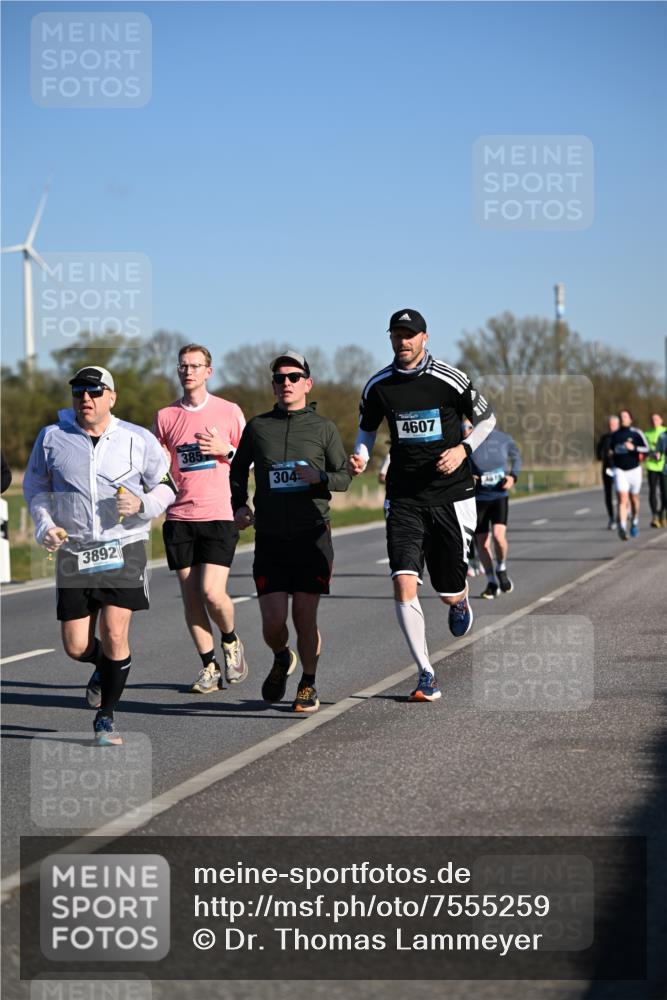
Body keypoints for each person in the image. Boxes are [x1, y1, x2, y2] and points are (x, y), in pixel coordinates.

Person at [348, 309, 495, 703]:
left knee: (448, 589)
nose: (403, 342)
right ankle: (426, 673)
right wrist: (360, 454)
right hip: (404, 498)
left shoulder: (449, 378)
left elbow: (488, 420)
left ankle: (459, 597)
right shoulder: (379, 386)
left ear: (425, 338)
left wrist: (462, 450)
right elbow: (366, 429)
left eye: (410, 335)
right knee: (403, 579)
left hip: (452, 496)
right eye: (397, 335)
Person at [23, 365, 176, 746]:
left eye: (94, 392)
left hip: (124, 546)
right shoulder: (52, 438)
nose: (85, 399)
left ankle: (106, 716)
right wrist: (45, 525)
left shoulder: (137, 439)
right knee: (76, 645)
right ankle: (104, 666)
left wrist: (142, 502)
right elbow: (36, 487)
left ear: (112, 396)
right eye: (78, 393)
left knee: (114, 630)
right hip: (74, 550)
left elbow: (167, 485)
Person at [231, 350, 351, 714]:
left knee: (304, 616)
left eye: (294, 377)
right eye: (280, 378)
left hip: (311, 534)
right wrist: (240, 504)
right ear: (273, 385)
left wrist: (321, 478)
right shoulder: (258, 426)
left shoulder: (324, 428)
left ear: (307, 383)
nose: (286, 383)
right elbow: (237, 472)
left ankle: (308, 684)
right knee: (271, 622)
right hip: (269, 537)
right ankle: (282, 657)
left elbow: (344, 476)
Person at [153, 344, 248, 694]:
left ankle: (231, 640)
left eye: (196, 366)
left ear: (209, 371)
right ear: (178, 371)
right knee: (191, 597)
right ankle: (209, 667)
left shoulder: (229, 411)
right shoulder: (165, 417)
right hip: (179, 516)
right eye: (183, 366)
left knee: (212, 592)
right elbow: (160, 468)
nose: (188, 371)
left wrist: (228, 450)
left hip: (218, 514)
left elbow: (251, 460)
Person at [470, 426, 522, 598]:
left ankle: (501, 568)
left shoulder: (503, 438)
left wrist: (513, 476)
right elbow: (460, 466)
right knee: (482, 544)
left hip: (499, 495)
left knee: (499, 537)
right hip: (478, 499)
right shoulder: (468, 441)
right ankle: (492, 582)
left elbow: (516, 457)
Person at [608, 409, 649, 540]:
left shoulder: (636, 433)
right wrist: (611, 453)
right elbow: (611, 449)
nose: (623, 418)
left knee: (634, 499)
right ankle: (623, 527)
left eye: (625, 416)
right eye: (621, 417)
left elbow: (647, 449)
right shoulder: (615, 435)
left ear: (630, 419)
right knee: (622, 498)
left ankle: (635, 522)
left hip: (634, 470)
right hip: (620, 470)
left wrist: (634, 448)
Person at [596, 415, 620, 529]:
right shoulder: (604, 438)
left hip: (620, 468)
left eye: (613, 424)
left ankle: (623, 513)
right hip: (607, 468)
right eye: (610, 424)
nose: (611, 427)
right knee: (608, 494)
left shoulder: (621, 436)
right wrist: (602, 456)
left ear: (618, 425)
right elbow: (598, 452)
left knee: (621, 492)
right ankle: (611, 517)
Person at [643, 412, 666, 528]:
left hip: (663, 466)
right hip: (651, 466)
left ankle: (662, 512)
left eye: (657, 419)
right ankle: (654, 516)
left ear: (661, 420)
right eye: (652, 419)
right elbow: (643, 449)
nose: (654, 421)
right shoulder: (647, 433)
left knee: (664, 492)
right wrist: (651, 454)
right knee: (652, 490)